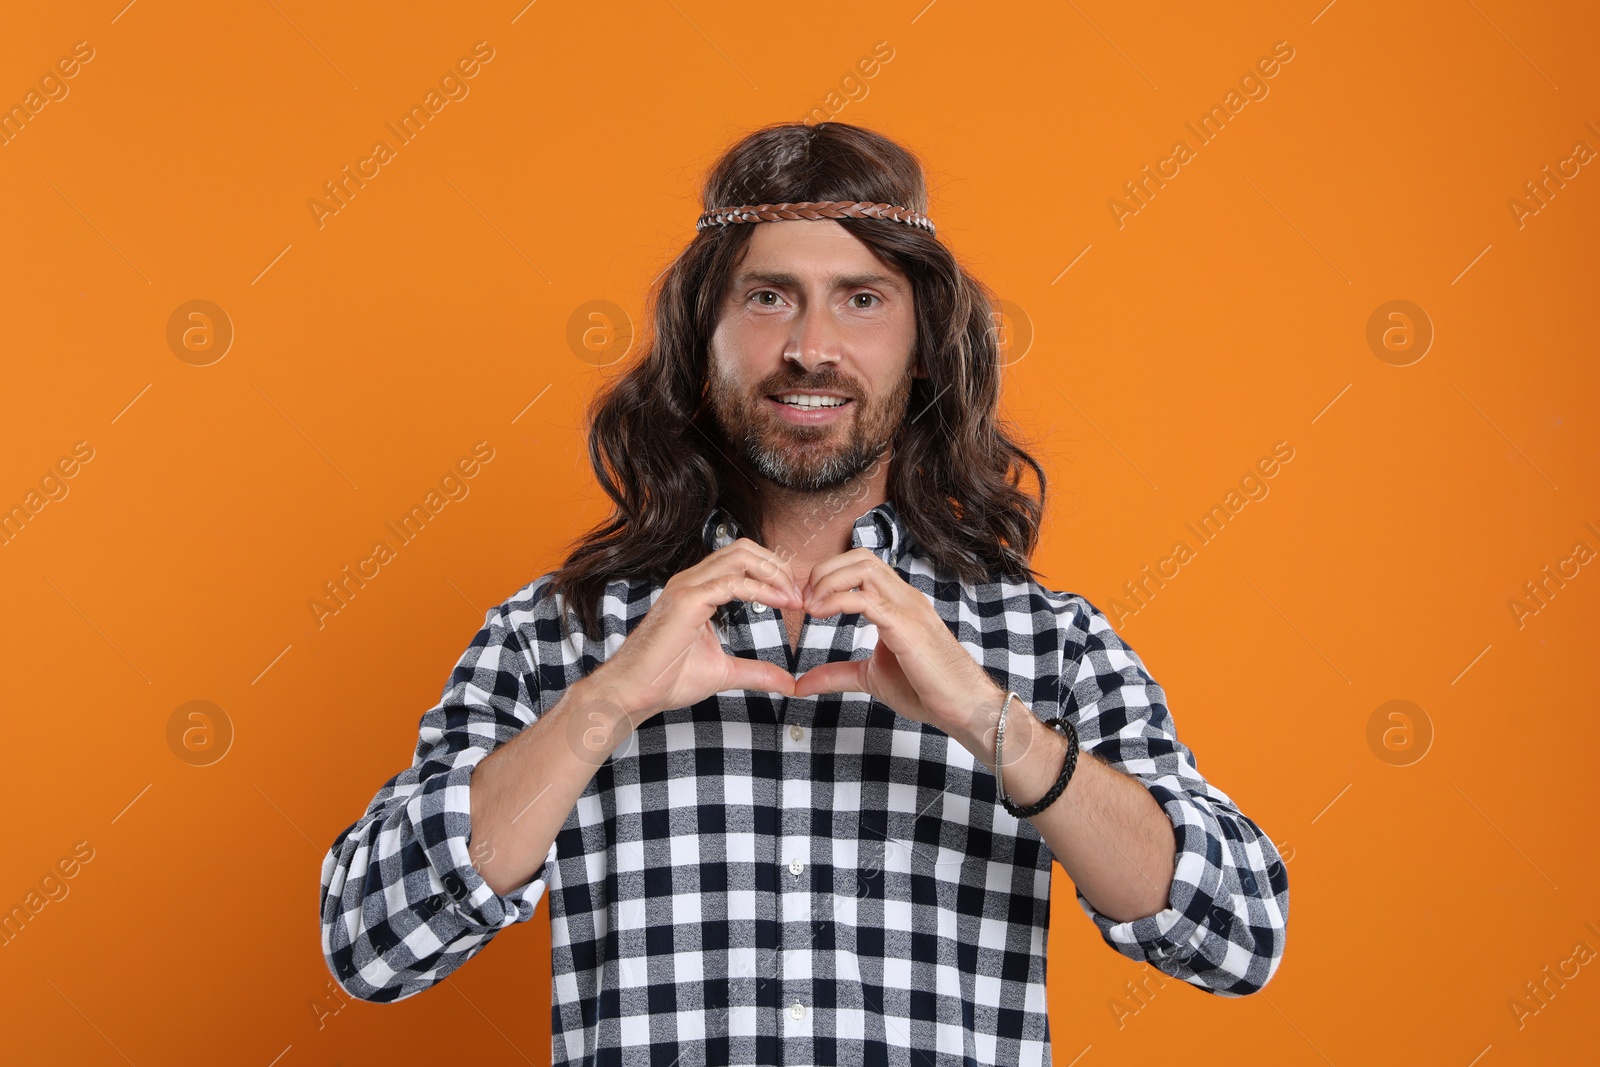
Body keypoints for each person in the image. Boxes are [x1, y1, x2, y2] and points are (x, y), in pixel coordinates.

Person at [319, 121, 1288, 1066]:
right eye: (770, 297)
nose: (811, 346)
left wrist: (991, 719)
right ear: (701, 334)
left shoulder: (1045, 640)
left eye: (861, 298)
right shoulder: (558, 635)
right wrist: (606, 701)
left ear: (923, 345)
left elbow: (1238, 936)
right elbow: (370, 943)